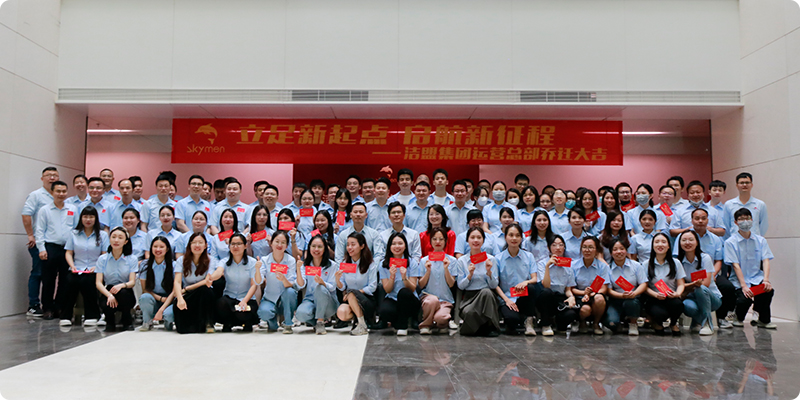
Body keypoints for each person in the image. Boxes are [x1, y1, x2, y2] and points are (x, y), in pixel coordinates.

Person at [725, 208, 776, 329]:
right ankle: (738, 317)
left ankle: (762, 319)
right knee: (745, 300)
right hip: (739, 281)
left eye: (747, 218)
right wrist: (744, 286)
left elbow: (766, 260)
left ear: (752, 220)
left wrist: (766, 280)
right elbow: (735, 265)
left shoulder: (761, 240)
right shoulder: (730, 242)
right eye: (741, 219)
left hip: (756, 278)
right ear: (736, 222)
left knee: (768, 290)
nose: (745, 222)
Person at [34, 180, 77, 320]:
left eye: (64, 191)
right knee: (48, 280)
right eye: (58, 191)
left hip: (67, 249)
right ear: (52, 192)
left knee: (65, 280)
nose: (61, 194)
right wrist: (41, 248)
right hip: (50, 248)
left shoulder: (72, 209)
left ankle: (59, 307)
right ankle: (47, 308)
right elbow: (39, 231)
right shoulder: (45, 210)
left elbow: (76, 229)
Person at [61, 206, 109, 327]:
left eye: (91, 217)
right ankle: (66, 316)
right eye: (85, 216)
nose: (88, 219)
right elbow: (69, 252)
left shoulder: (102, 235)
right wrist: (72, 266)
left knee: (88, 282)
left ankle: (92, 315)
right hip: (77, 268)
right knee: (70, 282)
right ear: (81, 218)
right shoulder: (74, 234)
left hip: (95, 269)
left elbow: (105, 254)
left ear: (96, 219)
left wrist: (97, 266)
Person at [495, 223, 540, 336]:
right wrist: (506, 300)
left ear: (521, 238)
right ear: (505, 237)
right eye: (511, 235)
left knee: (531, 288)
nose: (514, 238)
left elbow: (534, 278)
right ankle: (518, 319)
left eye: (517, 235)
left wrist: (526, 282)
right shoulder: (498, 259)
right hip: (507, 298)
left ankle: (529, 321)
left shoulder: (529, 256)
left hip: (523, 297)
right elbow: (495, 284)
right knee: (512, 320)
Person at [456, 227, 501, 337]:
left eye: (479, 237)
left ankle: (491, 326)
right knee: (469, 312)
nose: (475, 240)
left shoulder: (491, 259)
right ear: (467, 240)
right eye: (472, 237)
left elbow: (494, 285)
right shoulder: (462, 261)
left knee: (486, 292)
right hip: (470, 298)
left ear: (483, 240)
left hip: (488, 297)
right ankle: (483, 327)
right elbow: (461, 286)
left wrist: (489, 272)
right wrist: (469, 275)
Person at [173, 232, 221, 333]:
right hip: (188, 295)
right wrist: (180, 299)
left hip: (203, 296)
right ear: (189, 245)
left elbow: (207, 281)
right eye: (194, 242)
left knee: (205, 290)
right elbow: (177, 281)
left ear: (206, 245)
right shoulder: (181, 260)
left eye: (200, 242)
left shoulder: (211, 260)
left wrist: (187, 288)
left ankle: (209, 322)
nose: (197, 245)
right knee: (182, 329)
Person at [676, 230, 721, 336]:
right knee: (687, 306)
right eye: (684, 240)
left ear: (697, 242)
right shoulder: (678, 261)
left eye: (691, 240)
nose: (687, 243)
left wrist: (687, 286)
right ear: (680, 243)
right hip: (691, 297)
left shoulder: (705, 258)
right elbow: (679, 286)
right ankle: (697, 321)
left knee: (700, 289)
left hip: (711, 298)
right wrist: (693, 284)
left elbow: (705, 284)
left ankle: (707, 324)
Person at [378, 232, 423, 336]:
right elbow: (387, 290)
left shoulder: (412, 263)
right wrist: (392, 277)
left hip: (409, 299)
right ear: (389, 247)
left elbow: (412, 288)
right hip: (393, 298)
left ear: (405, 246)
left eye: (400, 243)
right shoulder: (383, 264)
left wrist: (404, 277)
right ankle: (397, 321)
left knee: (404, 292)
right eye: (394, 244)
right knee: (384, 311)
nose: (397, 246)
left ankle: (402, 326)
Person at [216, 233, 261, 332]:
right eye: (233, 244)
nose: (235, 247)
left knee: (244, 313)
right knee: (221, 304)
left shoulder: (252, 262)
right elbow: (218, 272)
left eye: (239, 244)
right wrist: (211, 277)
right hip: (230, 297)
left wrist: (244, 301)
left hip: (247, 298)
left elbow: (254, 285)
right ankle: (228, 323)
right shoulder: (224, 261)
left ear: (245, 246)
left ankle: (247, 324)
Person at [336, 232, 379, 336]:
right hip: (350, 300)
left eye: (353, 244)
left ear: (362, 246)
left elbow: (372, 287)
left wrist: (355, 293)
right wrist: (337, 280)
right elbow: (342, 287)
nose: (349, 247)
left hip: (367, 299)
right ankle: (360, 321)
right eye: (348, 245)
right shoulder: (345, 263)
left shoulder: (370, 264)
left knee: (351, 293)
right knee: (342, 312)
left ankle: (361, 324)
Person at [95, 227, 137, 331]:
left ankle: (127, 320)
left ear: (126, 241)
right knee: (107, 299)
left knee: (123, 293)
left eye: (120, 238)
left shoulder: (132, 259)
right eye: (113, 237)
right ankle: (109, 321)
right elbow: (98, 283)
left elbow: (132, 282)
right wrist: (109, 295)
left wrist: (122, 285)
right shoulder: (102, 259)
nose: (116, 240)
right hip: (108, 290)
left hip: (125, 290)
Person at [295, 235, 340, 334]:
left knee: (320, 288)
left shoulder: (332, 265)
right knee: (300, 314)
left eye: (320, 247)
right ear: (309, 248)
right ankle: (315, 323)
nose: (316, 249)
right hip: (310, 300)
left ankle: (320, 322)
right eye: (313, 246)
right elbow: (301, 285)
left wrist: (323, 283)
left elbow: (333, 287)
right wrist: (298, 269)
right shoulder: (305, 265)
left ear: (325, 248)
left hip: (328, 302)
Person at [417, 228, 458, 334]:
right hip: (428, 297)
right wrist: (428, 271)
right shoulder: (424, 260)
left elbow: (451, 284)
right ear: (430, 241)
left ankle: (441, 323)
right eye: (434, 239)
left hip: (445, 299)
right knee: (432, 301)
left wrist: (446, 269)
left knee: (441, 318)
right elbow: (421, 285)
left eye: (441, 239)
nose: (438, 242)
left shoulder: (452, 261)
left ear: (445, 241)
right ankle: (425, 325)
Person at [644, 233, 686, 336]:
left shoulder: (676, 263)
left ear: (668, 246)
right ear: (652, 246)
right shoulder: (646, 264)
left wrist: (677, 294)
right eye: (657, 242)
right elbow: (644, 287)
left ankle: (673, 323)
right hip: (654, 298)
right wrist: (655, 295)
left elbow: (681, 284)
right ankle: (657, 323)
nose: (660, 245)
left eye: (663, 242)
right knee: (660, 314)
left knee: (678, 305)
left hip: (671, 297)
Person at [257, 231, 299, 333]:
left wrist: (283, 279)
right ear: (271, 243)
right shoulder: (265, 260)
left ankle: (288, 323)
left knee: (290, 292)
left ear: (287, 246)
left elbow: (291, 284)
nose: (279, 245)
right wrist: (257, 270)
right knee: (264, 312)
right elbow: (259, 281)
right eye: (277, 241)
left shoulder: (291, 260)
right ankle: (272, 323)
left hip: (286, 299)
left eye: (283, 242)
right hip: (270, 298)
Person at [536, 235, 578, 335]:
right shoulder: (542, 264)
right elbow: (546, 285)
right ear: (549, 248)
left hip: (560, 299)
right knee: (546, 292)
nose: (558, 248)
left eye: (561, 245)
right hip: (546, 298)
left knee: (571, 314)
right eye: (554, 245)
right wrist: (548, 266)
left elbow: (568, 289)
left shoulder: (568, 265)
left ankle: (558, 324)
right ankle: (545, 324)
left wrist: (571, 297)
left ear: (564, 247)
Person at [605, 238, 647, 335]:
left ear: (626, 250)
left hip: (633, 298)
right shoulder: (607, 268)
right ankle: (620, 323)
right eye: (615, 249)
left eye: (621, 248)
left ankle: (633, 323)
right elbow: (609, 290)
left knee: (631, 303)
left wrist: (634, 293)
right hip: (616, 300)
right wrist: (622, 295)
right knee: (611, 323)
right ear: (611, 253)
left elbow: (644, 283)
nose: (619, 252)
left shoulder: (636, 265)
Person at [570, 237, 610, 335]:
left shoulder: (602, 266)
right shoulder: (573, 265)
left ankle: (596, 323)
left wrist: (592, 294)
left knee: (599, 299)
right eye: (584, 247)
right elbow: (571, 288)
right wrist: (584, 293)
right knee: (585, 310)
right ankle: (582, 322)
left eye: (591, 247)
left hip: (595, 295)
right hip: (579, 296)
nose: (587, 250)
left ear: (596, 250)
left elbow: (604, 288)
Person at [138, 237, 176, 331]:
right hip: (153, 297)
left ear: (167, 249)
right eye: (155, 246)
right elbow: (145, 289)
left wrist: (162, 307)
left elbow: (175, 290)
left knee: (169, 315)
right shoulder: (144, 264)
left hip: (169, 298)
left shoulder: (174, 265)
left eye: (161, 247)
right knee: (144, 297)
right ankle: (147, 321)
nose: (158, 249)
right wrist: (160, 298)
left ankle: (168, 322)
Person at [723, 173, 768, 237]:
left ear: (752, 185)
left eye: (747, 182)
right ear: (737, 185)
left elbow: (764, 225)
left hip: (754, 240)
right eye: (741, 183)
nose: (744, 185)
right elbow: (726, 226)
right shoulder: (729, 204)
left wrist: (757, 238)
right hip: (735, 241)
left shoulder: (760, 204)